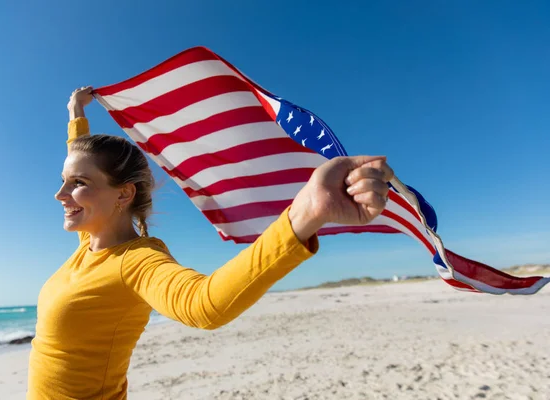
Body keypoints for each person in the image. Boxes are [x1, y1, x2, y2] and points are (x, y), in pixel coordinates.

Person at [26, 86, 394, 399]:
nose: (60, 194)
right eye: (63, 180)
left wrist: (306, 213)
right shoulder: (89, 245)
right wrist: (76, 116)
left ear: (123, 195)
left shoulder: (135, 262)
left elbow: (205, 304)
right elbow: (80, 157)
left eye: (77, 184)